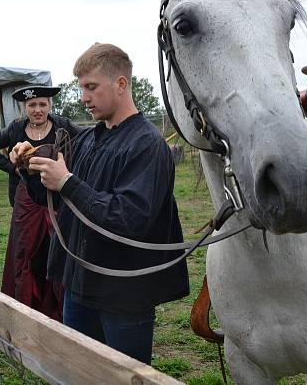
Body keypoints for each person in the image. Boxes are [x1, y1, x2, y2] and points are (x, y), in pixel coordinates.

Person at [11, 43, 190, 364]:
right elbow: (55, 201)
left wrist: (66, 180)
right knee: (79, 372)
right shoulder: (88, 139)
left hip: (123, 293)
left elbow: (128, 219)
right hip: (78, 284)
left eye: (91, 87)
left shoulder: (147, 145)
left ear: (121, 84)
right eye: (82, 88)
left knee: (123, 376)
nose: (83, 97)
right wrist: (29, 171)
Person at [0, 86, 80, 320]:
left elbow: (87, 141)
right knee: (26, 252)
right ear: (25, 107)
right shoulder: (16, 129)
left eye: (42, 104)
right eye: (32, 105)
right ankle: (27, 310)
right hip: (28, 201)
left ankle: (61, 311)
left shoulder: (63, 126)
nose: (38, 110)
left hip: (57, 198)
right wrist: (13, 169)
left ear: (49, 106)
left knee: (59, 249)